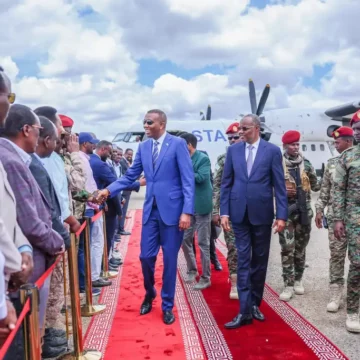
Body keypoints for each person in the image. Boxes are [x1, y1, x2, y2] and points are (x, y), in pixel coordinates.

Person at [96, 109, 195, 325]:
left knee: (170, 261)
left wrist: (187, 211)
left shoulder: (178, 144)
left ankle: (167, 305)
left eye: (149, 122)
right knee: (145, 257)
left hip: (173, 213)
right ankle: (150, 293)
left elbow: (188, 180)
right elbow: (131, 175)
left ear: (162, 123)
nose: (146, 126)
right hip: (151, 211)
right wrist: (109, 190)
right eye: (144, 122)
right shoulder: (144, 146)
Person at [220, 114, 287, 329]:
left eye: (245, 128)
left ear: (257, 128)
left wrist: (282, 215)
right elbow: (226, 183)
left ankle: (255, 303)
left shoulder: (272, 151)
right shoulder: (233, 151)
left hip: (262, 213)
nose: (240, 132)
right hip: (238, 213)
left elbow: (279, 185)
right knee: (242, 260)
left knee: (259, 260)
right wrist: (224, 212)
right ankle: (244, 310)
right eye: (240, 128)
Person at [278, 130, 320, 302]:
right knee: (287, 249)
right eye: (292, 145)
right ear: (285, 146)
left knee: (300, 249)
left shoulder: (307, 164)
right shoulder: (278, 164)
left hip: (304, 212)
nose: (295, 147)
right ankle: (288, 284)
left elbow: (316, 186)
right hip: (286, 213)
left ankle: (298, 280)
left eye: (297, 144)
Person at [315, 126, 353, 312]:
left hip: (356, 219)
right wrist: (319, 209)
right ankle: (335, 293)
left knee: (356, 259)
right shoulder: (331, 163)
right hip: (336, 218)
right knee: (337, 256)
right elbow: (325, 191)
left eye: (338, 142)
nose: (335, 145)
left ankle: (354, 293)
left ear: (348, 141)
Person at [333, 110, 360, 333]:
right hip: (354, 218)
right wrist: (338, 219)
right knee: (358, 264)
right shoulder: (347, 157)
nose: (359, 133)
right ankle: (353, 311)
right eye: (357, 129)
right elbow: (338, 190)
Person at [213, 121, 244, 299]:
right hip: (231, 211)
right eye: (230, 138)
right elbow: (218, 186)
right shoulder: (224, 160)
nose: (233, 141)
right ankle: (234, 283)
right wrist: (216, 210)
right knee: (233, 247)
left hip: (250, 210)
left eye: (236, 137)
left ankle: (247, 279)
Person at [179, 133, 213, 291]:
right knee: (185, 240)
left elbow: (201, 178)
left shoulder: (203, 158)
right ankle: (192, 269)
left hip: (202, 206)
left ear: (189, 145)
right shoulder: (181, 158)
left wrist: (184, 173)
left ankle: (206, 277)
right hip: (187, 207)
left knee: (203, 243)